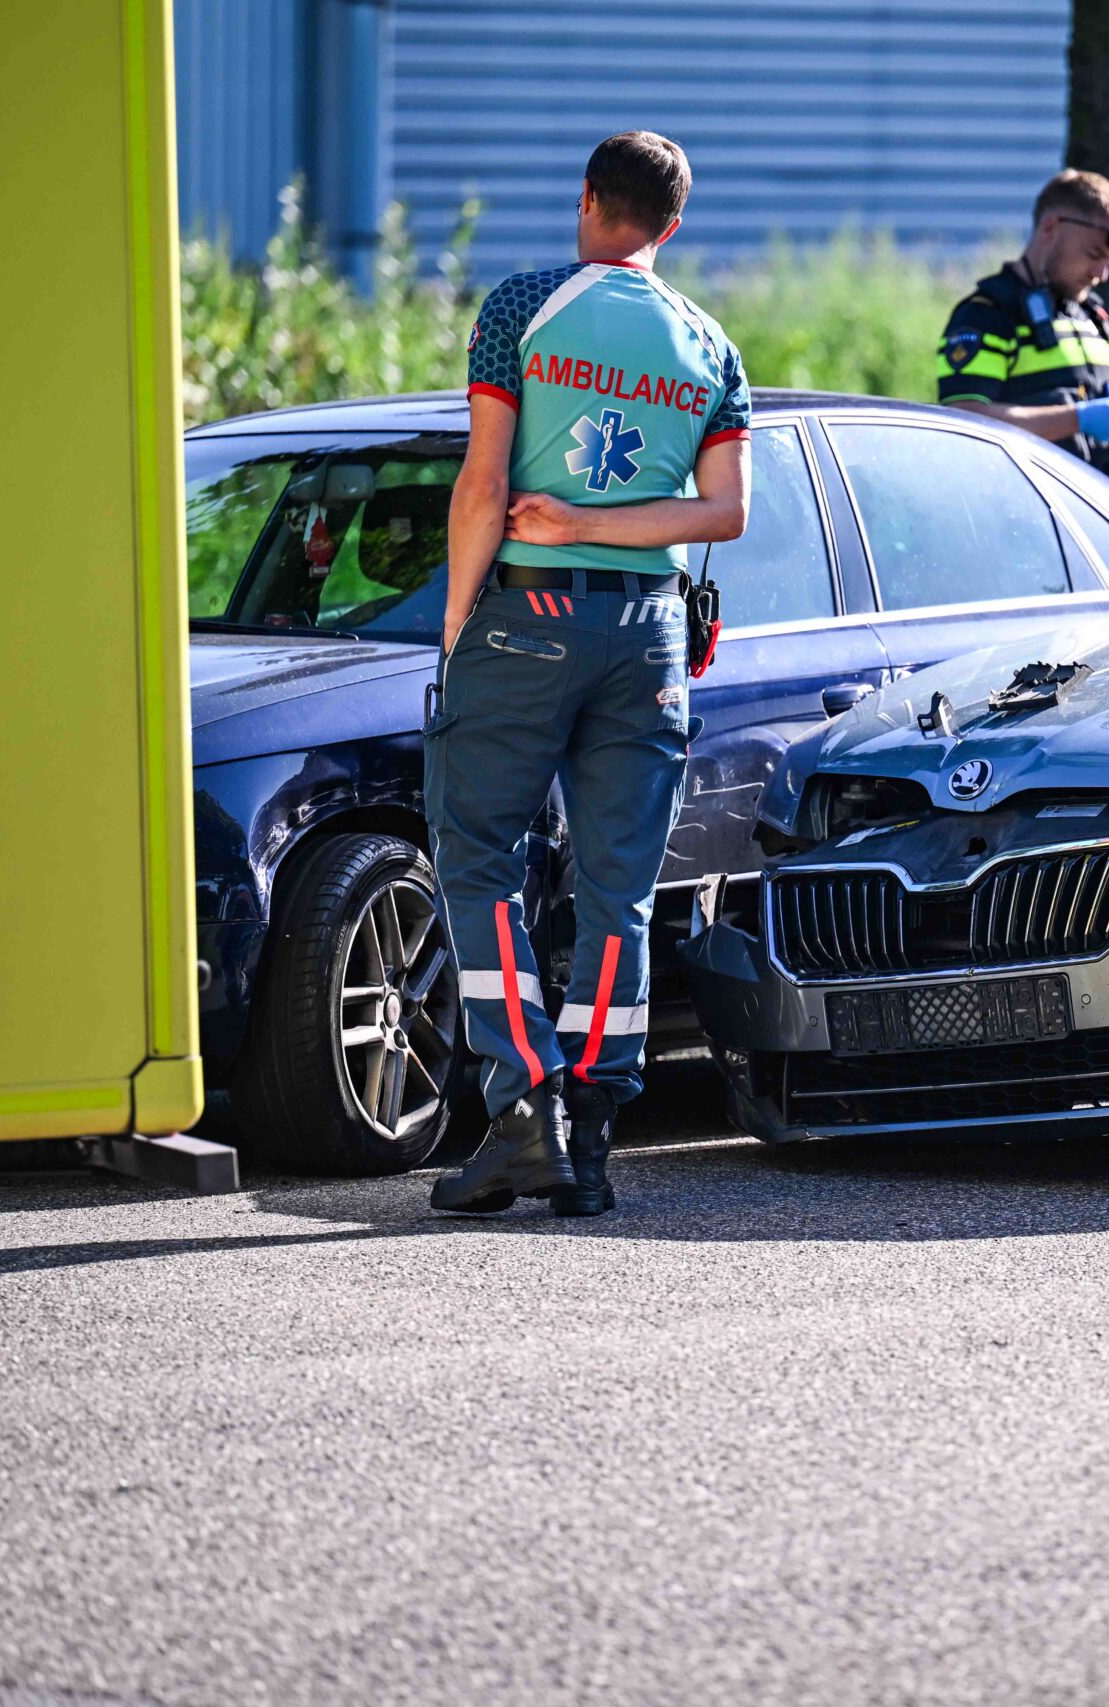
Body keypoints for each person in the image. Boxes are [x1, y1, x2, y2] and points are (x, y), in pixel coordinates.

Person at [426, 129, 750, 1218]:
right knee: (620, 890)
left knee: (479, 864)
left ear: (586, 202)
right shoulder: (709, 345)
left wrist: (463, 615)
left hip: (528, 616)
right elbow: (726, 514)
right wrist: (601, 522)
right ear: (671, 225)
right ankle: (597, 1133)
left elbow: (481, 483)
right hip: (649, 632)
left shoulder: (526, 305)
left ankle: (523, 1112)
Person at [937, 169, 1109, 488]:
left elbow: (1101, 453)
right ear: (1050, 227)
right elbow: (964, 420)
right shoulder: (987, 315)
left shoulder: (1093, 318)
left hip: (1098, 515)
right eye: (1093, 255)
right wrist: (1078, 419)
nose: (1101, 274)